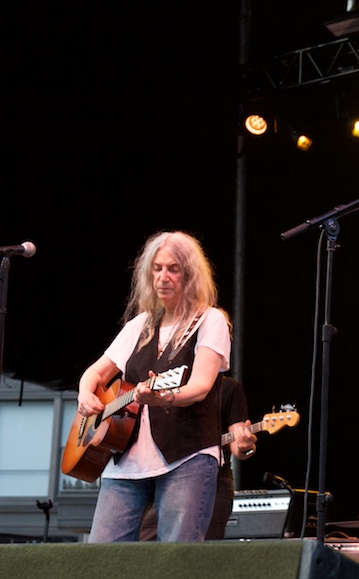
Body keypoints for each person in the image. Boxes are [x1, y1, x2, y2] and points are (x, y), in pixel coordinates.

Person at [75, 231, 232, 542]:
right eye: (157, 269)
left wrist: (163, 399)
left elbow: (200, 386)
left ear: (190, 275)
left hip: (186, 457)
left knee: (175, 563)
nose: (163, 277)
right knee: (100, 560)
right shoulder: (140, 325)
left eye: (173, 269)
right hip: (125, 464)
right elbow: (94, 373)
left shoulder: (209, 321)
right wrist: (85, 395)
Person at [139, 376, 258, 541]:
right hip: (169, 480)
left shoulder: (228, 387)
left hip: (215, 481)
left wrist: (246, 446)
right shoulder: (169, 387)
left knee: (202, 555)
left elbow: (238, 450)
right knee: (147, 543)